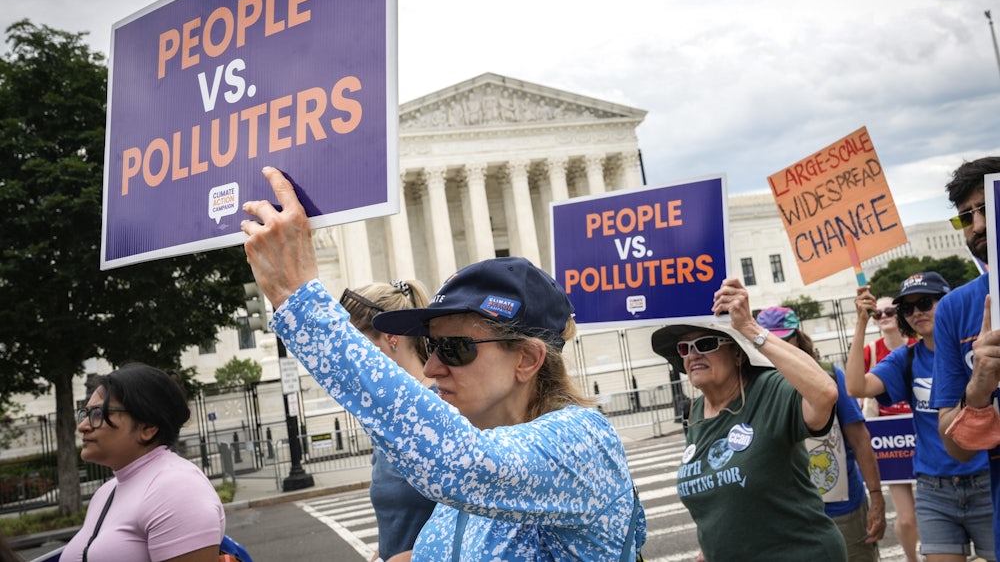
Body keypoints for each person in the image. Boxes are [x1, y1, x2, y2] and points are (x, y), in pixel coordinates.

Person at [241, 166, 646, 561]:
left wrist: (300, 299)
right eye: (431, 346)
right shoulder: (467, 483)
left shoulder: (584, 442)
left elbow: (464, 463)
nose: (431, 368)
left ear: (526, 359)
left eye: (454, 348)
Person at [650, 278, 846, 561]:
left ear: (738, 354)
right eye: (684, 348)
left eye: (704, 343)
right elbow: (722, 499)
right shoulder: (695, 412)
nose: (692, 355)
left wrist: (751, 329)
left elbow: (826, 393)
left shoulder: (769, 389)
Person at [847, 272, 995, 562]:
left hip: (986, 481)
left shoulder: (976, 351)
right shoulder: (907, 358)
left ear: (947, 302)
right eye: (907, 308)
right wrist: (862, 321)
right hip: (934, 490)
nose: (916, 313)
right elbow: (856, 387)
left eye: (925, 303)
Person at [60, 363, 225, 562]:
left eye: (98, 414)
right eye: (85, 415)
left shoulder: (177, 488)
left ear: (147, 427)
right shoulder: (105, 493)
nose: (83, 426)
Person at [757, 306, 885, 561]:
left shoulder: (827, 375)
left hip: (842, 511)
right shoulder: (751, 386)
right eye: (770, 340)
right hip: (784, 517)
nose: (779, 347)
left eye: (785, 338)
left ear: (798, 337)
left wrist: (877, 497)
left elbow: (859, 439)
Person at [931, 156, 1000, 559]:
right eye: (964, 217)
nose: (978, 227)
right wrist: (978, 390)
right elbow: (955, 447)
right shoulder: (956, 309)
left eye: (986, 207)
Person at [340, 278, 437, 562]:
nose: (350, 362)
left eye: (357, 347)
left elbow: (474, 521)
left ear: (391, 336)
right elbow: (400, 518)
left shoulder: (440, 405)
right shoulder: (386, 413)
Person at [860, 294, 920, 562]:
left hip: (923, 436)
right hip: (891, 441)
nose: (884, 316)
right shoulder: (871, 352)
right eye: (878, 313)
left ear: (901, 313)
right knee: (906, 519)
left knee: (932, 515)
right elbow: (856, 390)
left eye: (889, 311)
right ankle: (912, 559)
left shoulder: (919, 346)